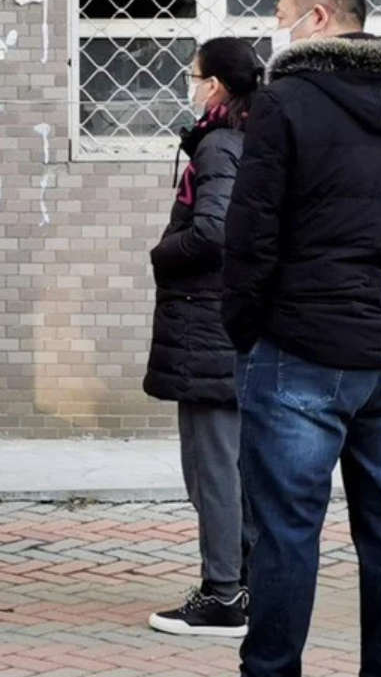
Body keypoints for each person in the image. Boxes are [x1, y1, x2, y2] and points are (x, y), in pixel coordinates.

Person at [224, 0, 381, 677]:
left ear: (320, 17)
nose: (276, 29)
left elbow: (250, 231)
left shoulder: (286, 101)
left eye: (282, 13)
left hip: (297, 350)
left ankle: (270, 670)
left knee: (285, 534)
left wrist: (245, 327)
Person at [143, 37, 261, 638]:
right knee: (230, 464)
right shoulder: (252, 136)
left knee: (211, 467)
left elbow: (212, 229)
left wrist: (164, 253)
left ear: (215, 85)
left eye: (194, 77)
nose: (191, 86)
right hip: (230, 320)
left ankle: (223, 593)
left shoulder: (218, 144)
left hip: (206, 321)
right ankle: (244, 583)